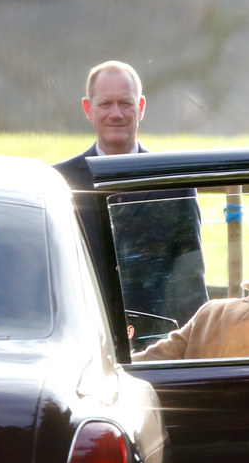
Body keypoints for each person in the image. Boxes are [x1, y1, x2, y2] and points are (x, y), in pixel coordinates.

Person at [55, 61, 208, 328]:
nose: (116, 113)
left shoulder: (173, 182)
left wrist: (193, 345)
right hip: (83, 333)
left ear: (141, 107)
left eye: (125, 103)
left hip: (157, 342)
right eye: (105, 104)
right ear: (88, 109)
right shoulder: (59, 183)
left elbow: (189, 278)